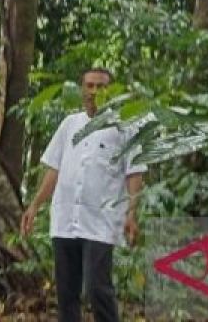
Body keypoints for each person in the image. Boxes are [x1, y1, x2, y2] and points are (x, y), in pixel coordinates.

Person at [20, 67, 146, 322]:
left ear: (110, 92)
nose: (94, 92)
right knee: (66, 293)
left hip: (101, 221)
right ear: (82, 89)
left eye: (100, 87)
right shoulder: (70, 125)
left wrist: (132, 213)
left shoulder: (124, 127)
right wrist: (34, 206)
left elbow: (134, 173)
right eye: (89, 86)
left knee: (97, 288)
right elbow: (54, 169)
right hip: (65, 219)